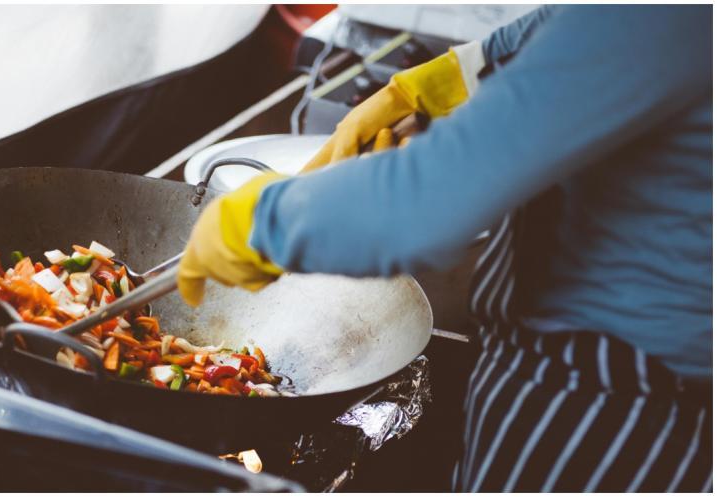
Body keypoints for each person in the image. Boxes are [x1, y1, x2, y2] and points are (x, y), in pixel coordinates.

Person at [176, 5, 712, 492]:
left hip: (607, 402)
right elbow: (579, 26)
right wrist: (458, 75)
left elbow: (431, 200)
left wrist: (263, 220)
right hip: (594, 376)